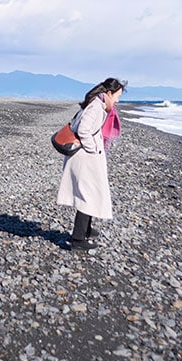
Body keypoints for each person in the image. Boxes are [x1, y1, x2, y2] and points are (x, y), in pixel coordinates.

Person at [56, 77, 125, 251]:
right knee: (88, 195)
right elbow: (83, 130)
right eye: (117, 96)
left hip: (85, 158)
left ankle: (85, 230)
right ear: (109, 93)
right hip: (85, 158)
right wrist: (93, 149)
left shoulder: (97, 104)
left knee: (90, 194)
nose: (117, 100)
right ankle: (78, 239)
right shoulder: (96, 106)